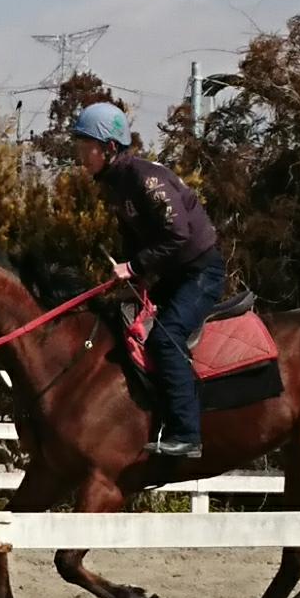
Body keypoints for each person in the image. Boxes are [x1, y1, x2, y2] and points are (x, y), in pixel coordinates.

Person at [62, 99, 227, 462]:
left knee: (166, 341)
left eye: (84, 146)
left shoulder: (143, 178)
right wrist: (128, 270)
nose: (80, 155)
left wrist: (133, 267)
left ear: (107, 148)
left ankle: (187, 435)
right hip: (174, 273)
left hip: (201, 273)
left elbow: (178, 235)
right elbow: (137, 239)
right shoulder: (116, 183)